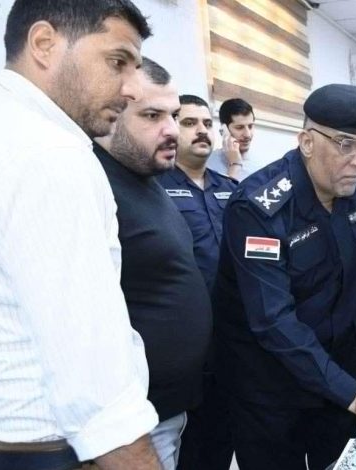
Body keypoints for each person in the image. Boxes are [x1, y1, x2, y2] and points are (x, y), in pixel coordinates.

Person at [212, 84, 356, 470]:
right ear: (307, 142)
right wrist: (351, 393)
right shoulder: (258, 208)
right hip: (270, 380)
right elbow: (273, 320)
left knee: (344, 460)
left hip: (337, 361)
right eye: (345, 145)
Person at [0, 1, 162, 469]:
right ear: (44, 44)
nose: (132, 88)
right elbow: (94, 385)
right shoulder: (49, 153)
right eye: (117, 62)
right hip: (47, 449)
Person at [94, 58, 212, 470]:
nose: (172, 130)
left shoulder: (148, 177)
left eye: (173, 116)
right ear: (111, 114)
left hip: (172, 409)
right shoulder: (95, 185)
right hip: (130, 430)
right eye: (152, 116)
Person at [157, 94, 237, 470]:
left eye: (207, 123)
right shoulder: (155, 188)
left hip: (231, 336)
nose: (202, 131)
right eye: (189, 123)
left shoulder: (230, 189)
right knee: (189, 442)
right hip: (185, 340)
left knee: (224, 433)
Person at [207, 98, 257, 181]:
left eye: (250, 126)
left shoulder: (262, 166)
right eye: (239, 127)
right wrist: (235, 164)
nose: (247, 134)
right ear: (224, 130)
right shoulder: (208, 164)